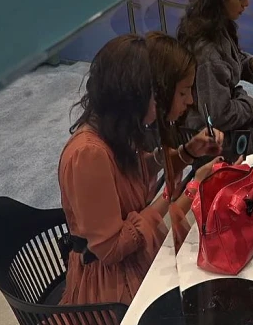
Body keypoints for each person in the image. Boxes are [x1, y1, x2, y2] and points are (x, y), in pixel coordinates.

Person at [58, 34, 222, 306]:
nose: (160, 104)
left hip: (130, 260)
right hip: (110, 287)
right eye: (155, 96)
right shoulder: (88, 154)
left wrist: (188, 153)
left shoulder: (115, 132)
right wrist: (187, 189)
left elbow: (131, 175)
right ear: (133, 97)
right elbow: (112, 248)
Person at [177, 0, 253, 154]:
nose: (246, 3)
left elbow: (231, 60)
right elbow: (220, 115)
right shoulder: (207, 54)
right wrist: (252, 102)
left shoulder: (215, 26)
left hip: (227, 119)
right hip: (216, 142)